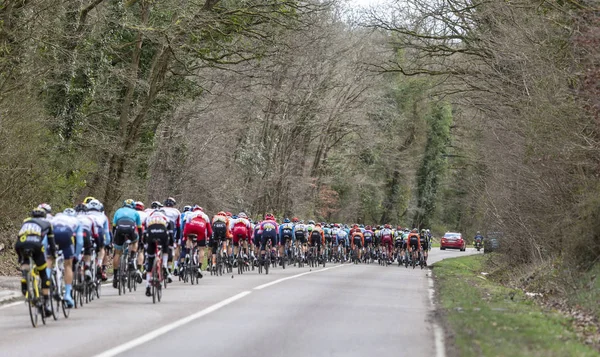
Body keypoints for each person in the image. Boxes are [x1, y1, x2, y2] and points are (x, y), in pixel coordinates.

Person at [16, 207, 56, 317]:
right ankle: (46, 303)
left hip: (21, 244)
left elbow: (19, 236)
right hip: (36, 245)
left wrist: (20, 257)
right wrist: (53, 254)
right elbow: (51, 243)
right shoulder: (47, 223)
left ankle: (25, 278)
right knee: (43, 274)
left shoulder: (26, 221)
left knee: (24, 262)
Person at [50, 208, 84, 308]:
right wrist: (76, 256)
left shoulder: (56, 217)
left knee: (48, 259)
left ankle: (48, 279)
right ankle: (68, 295)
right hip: (66, 235)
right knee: (68, 265)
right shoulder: (76, 221)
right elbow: (80, 242)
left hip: (53, 233)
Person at [111, 199, 142, 289]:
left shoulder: (118, 211)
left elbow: (114, 227)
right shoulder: (135, 212)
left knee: (117, 253)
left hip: (119, 230)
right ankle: (132, 258)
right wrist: (140, 241)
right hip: (130, 229)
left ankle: (115, 276)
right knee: (135, 241)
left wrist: (114, 238)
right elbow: (139, 229)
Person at [143, 207, 173, 297]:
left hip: (151, 233)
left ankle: (148, 285)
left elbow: (144, 233)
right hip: (162, 232)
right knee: (166, 248)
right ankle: (164, 264)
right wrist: (171, 244)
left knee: (151, 259)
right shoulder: (166, 218)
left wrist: (145, 245)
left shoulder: (148, 218)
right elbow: (171, 233)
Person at [183, 206, 212, 278]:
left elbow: (186, 226)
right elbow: (209, 230)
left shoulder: (190, 215)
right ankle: (199, 267)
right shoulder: (205, 216)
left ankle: (187, 253)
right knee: (201, 249)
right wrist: (208, 237)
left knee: (189, 239)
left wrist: (185, 236)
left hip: (191, 228)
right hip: (201, 230)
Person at [86, 199, 109, 281]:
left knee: (86, 249)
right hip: (99, 232)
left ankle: (86, 266)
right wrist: (107, 243)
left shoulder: (84, 214)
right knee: (101, 248)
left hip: (86, 232)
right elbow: (106, 232)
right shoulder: (103, 216)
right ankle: (99, 263)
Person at [162, 197, 181, 276]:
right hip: (171, 229)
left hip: (160, 227)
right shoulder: (176, 211)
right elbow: (178, 226)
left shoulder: (160, 209)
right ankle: (169, 268)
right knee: (170, 248)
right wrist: (177, 239)